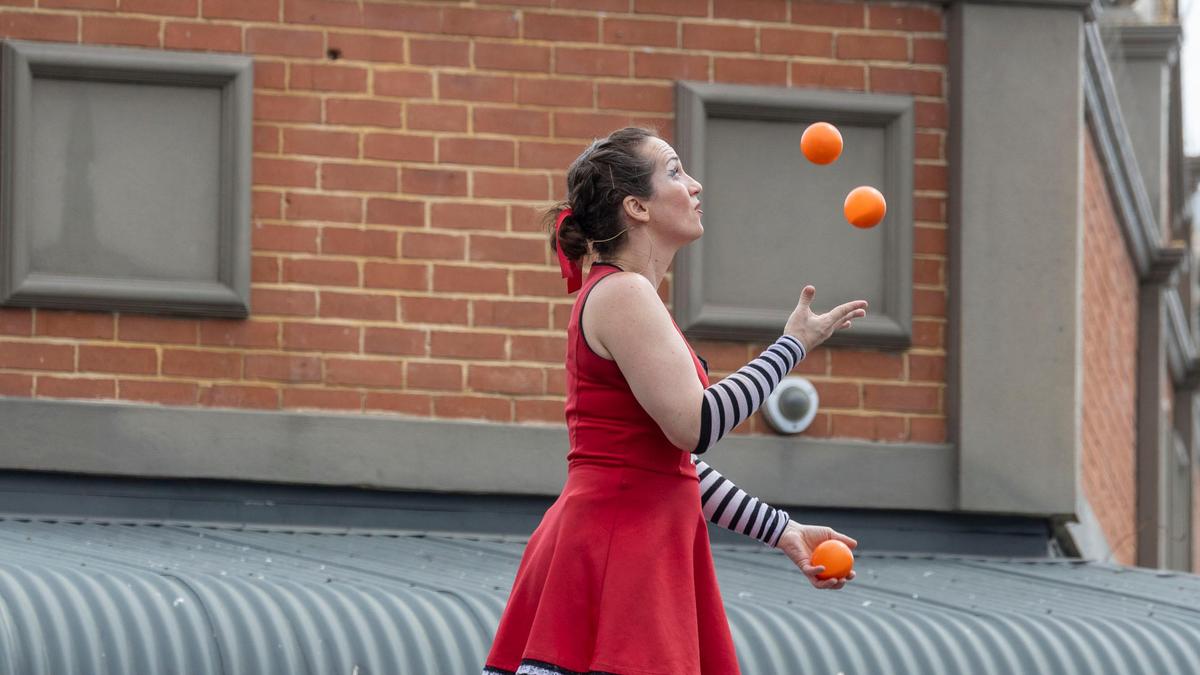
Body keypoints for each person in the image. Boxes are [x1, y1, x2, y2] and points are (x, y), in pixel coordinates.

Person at [483, 128, 867, 675]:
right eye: (675, 171)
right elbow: (699, 424)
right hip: (617, 551)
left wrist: (780, 529)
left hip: (628, 543)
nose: (695, 185)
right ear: (637, 206)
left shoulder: (626, 294)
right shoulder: (623, 293)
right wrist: (792, 347)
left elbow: (674, 464)